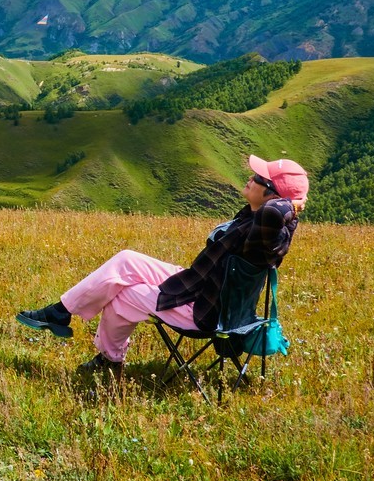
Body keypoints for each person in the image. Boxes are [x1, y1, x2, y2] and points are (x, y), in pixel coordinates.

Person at [16, 155, 308, 378]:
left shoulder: (268, 231)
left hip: (205, 310)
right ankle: (60, 313)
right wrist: (287, 201)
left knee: (119, 295)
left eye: (259, 177)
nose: (250, 177)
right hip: (199, 284)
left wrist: (291, 204)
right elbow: (267, 212)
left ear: (272, 195)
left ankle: (108, 361)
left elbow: (273, 212)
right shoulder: (253, 217)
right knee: (126, 259)